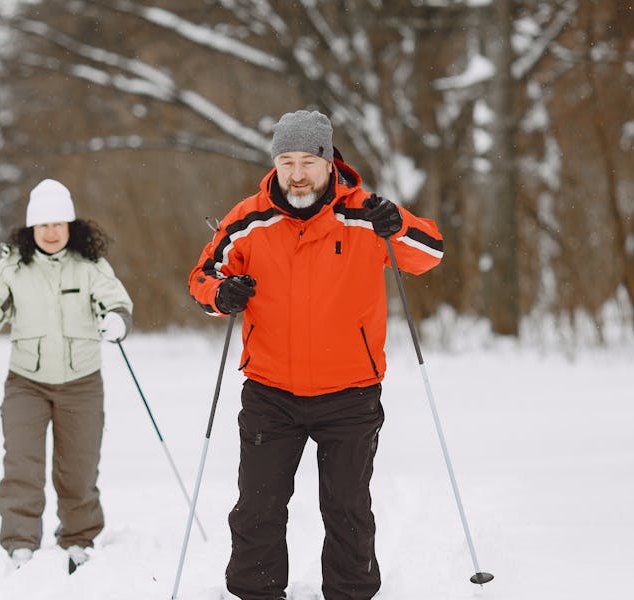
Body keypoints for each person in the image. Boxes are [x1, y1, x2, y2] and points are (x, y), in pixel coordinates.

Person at [187, 110, 444, 600]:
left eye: (307, 161)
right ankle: (254, 593)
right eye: (286, 161)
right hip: (270, 391)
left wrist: (399, 224)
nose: (297, 174)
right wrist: (223, 295)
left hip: (350, 392)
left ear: (329, 163)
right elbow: (202, 279)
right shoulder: (248, 220)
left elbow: (429, 253)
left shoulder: (367, 214)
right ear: (275, 165)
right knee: (258, 506)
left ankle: (351, 595)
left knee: (346, 507)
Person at [0, 179, 134, 574]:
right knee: (22, 463)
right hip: (26, 381)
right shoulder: (11, 267)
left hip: (82, 382)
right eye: (44, 225)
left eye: (59, 223)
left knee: (78, 466)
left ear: (71, 225)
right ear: (31, 229)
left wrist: (116, 321)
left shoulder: (91, 266)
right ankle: (21, 543)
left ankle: (78, 539)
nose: (52, 232)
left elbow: (117, 303)